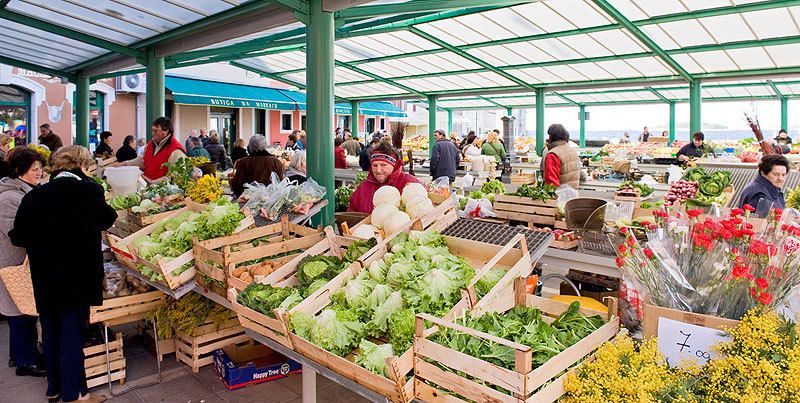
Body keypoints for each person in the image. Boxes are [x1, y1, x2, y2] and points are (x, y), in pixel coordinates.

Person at [10, 145, 116, 403]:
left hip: (45, 277)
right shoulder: (89, 190)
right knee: (71, 333)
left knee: (51, 330)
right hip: (77, 276)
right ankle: (75, 395)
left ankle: (54, 388)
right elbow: (107, 219)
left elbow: (18, 236)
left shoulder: (35, 195)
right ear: (82, 165)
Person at [0, 147, 46, 379]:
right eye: (33, 169)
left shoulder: (25, 191)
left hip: (22, 261)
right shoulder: (9, 197)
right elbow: (16, 233)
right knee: (21, 313)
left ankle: (18, 355)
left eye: (40, 169)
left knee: (22, 309)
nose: (38, 173)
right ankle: (26, 362)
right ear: (19, 171)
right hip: (14, 263)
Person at [348, 141, 420, 213]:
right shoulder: (363, 187)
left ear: (394, 165)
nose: (378, 170)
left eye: (383, 165)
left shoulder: (410, 183)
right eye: (374, 165)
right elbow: (351, 214)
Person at [118, 117, 186, 181]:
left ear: (166, 131)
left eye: (155, 131)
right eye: (152, 130)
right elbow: (142, 161)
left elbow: (177, 176)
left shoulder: (176, 150)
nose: (152, 133)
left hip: (163, 191)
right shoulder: (150, 144)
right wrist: (124, 164)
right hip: (147, 187)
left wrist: (153, 182)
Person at [542, 124, 581, 189]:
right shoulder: (572, 151)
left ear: (551, 136)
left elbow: (551, 183)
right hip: (573, 195)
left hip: (559, 196)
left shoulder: (553, 154)